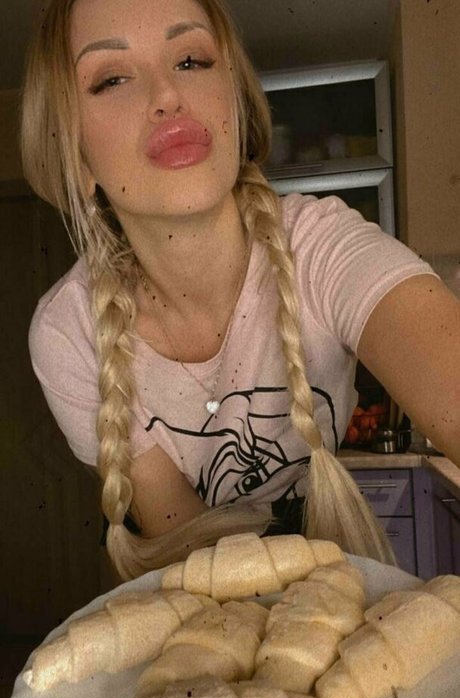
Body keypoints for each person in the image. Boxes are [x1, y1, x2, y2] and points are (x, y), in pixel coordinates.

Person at [21, 0, 460, 584]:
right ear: (75, 156)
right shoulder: (70, 335)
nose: (167, 95)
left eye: (192, 60)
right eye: (112, 79)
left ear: (233, 101)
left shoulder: (324, 248)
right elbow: (192, 555)